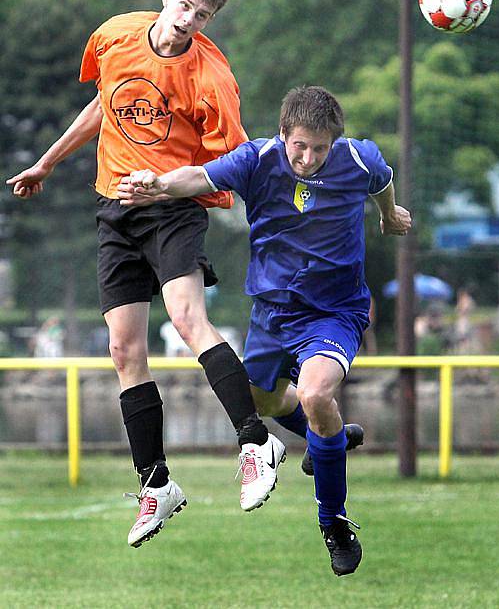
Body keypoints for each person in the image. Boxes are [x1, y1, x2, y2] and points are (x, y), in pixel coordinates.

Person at [6, 0, 285, 548]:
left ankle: (257, 442)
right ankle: (156, 484)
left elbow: (226, 166)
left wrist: (162, 183)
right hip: (114, 209)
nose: (188, 21)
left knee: (188, 320)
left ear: (210, 21)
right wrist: (48, 163)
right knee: (122, 348)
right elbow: (106, 104)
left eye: (202, 15)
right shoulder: (115, 35)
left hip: (172, 209)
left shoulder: (211, 77)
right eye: (184, 6)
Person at [118, 85, 412, 576]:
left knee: (317, 395)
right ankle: (329, 441)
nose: (309, 157)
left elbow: (383, 182)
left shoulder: (359, 159)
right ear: (283, 134)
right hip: (271, 313)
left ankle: (334, 521)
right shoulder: (257, 159)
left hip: (334, 311)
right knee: (262, 401)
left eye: (320, 148)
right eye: (300, 145)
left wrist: (388, 216)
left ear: (335, 143)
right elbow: (199, 175)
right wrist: (158, 185)